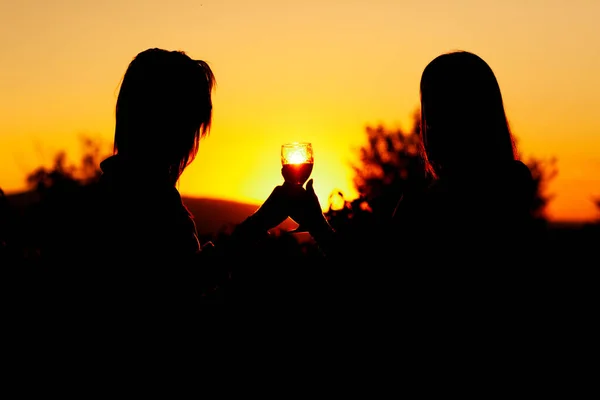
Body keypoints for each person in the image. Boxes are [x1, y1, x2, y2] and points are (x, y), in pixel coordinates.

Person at [43, 48, 290, 304]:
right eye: (190, 122)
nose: (191, 140)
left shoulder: (107, 194)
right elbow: (184, 282)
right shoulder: (145, 200)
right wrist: (259, 224)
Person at [285, 51, 537, 300]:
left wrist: (317, 225)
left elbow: (372, 283)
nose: (431, 124)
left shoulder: (426, 205)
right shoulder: (514, 182)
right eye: (431, 110)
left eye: (441, 109)